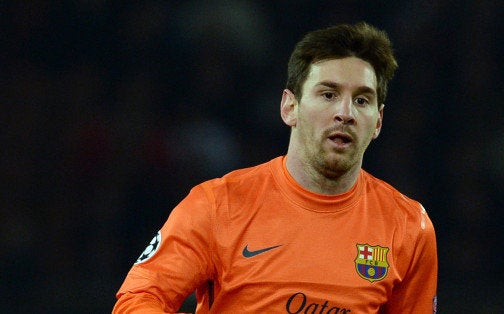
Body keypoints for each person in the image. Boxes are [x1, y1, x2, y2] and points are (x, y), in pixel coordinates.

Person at [113, 22, 438, 313]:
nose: (345, 112)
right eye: (328, 94)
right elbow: (138, 299)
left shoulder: (409, 227)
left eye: (362, 100)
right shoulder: (216, 206)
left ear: (378, 122)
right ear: (289, 107)